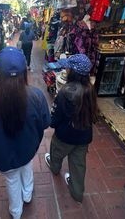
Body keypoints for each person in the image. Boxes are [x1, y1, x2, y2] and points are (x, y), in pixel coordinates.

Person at [0, 47, 50, 219]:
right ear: (24, 72)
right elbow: (45, 123)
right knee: (26, 165)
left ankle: (16, 212)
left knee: (12, 178)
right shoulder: (37, 96)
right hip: (28, 148)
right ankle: (28, 194)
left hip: (3, 155)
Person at [44, 54, 98, 203]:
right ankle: (77, 192)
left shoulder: (65, 92)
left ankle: (55, 168)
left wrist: (52, 123)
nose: (66, 69)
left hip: (64, 137)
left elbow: (55, 119)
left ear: (73, 72)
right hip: (84, 137)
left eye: (68, 67)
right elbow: (94, 115)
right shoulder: (90, 89)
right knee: (79, 165)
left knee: (56, 153)